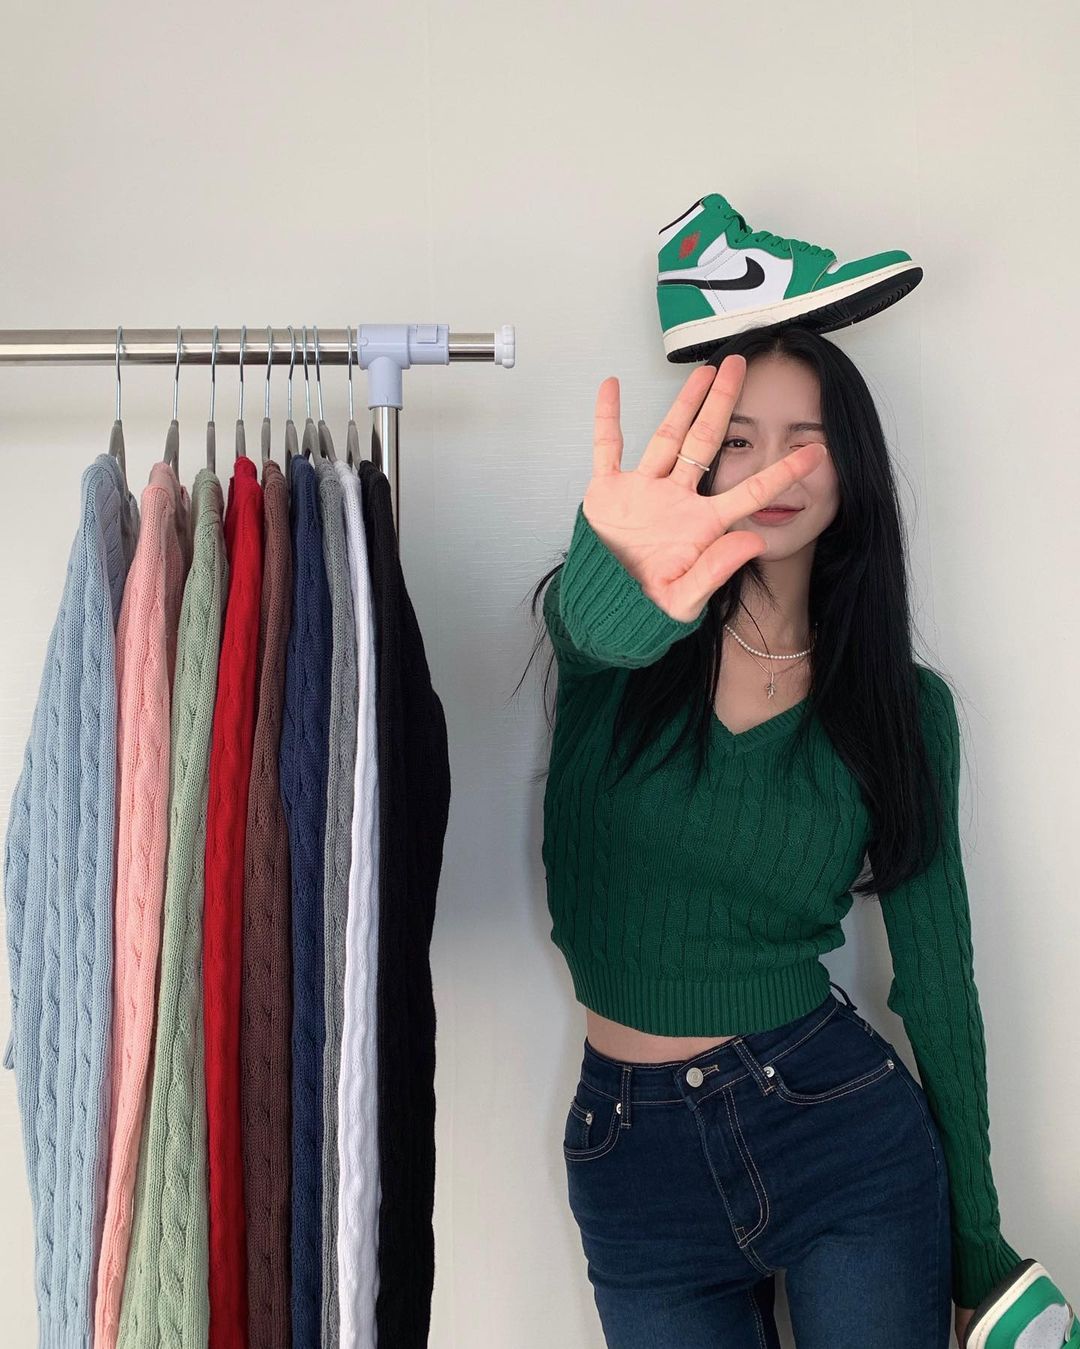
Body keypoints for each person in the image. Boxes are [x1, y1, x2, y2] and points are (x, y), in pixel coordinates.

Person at [521, 325, 1021, 1348]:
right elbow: (594, 619)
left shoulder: (905, 706)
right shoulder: (614, 647)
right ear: (703, 457)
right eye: (740, 439)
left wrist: (981, 1244)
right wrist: (620, 557)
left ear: (854, 463)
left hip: (841, 1132)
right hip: (633, 1159)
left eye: (809, 438)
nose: (777, 469)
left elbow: (937, 981)